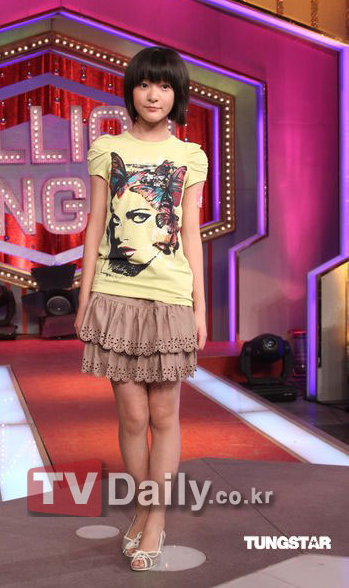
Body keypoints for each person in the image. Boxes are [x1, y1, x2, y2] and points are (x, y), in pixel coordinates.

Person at [74, 46, 208, 572]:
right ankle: (143, 509)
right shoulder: (107, 149)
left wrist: (200, 307)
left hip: (171, 297)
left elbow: (192, 234)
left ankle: (156, 520)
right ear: (131, 90)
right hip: (115, 296)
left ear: (177, 95)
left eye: (165, 86)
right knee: (132, 417)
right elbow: (95, 224)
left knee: (164, 415)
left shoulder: (190, 155)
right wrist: (85, 298)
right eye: (146, 84)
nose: (154, 95)